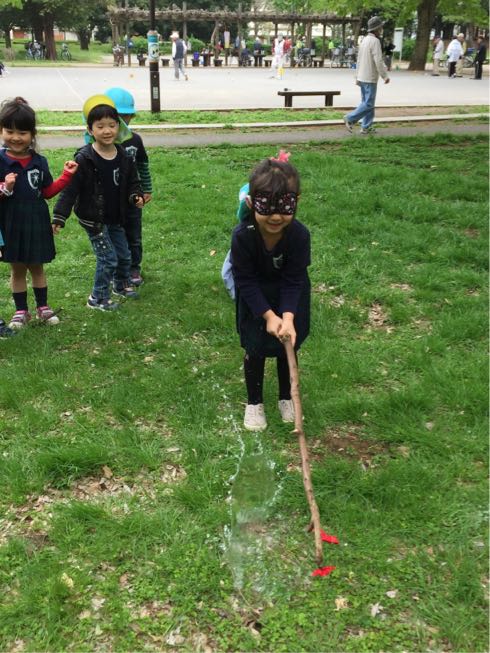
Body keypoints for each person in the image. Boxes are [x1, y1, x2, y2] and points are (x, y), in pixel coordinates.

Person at [231, 153, 310, 431]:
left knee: (288, 344)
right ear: (252, 203)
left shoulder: (299, 235)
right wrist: (267, 315)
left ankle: (286, 397)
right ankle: (254, 403)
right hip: (255, 298)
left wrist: (287, 317)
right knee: (255, 348)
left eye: (285, 206)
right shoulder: (243, 236)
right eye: (267, 206)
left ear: (296, 202)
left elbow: (294, 278)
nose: (276, 216)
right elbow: (244, 280)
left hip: (290, 296)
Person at [53, 102, 144, 311]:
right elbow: (71, 190)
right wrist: (59, 216)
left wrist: (135, 196)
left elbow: (133, 182)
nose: (107, 131)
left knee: (124, 254)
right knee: (108, 258)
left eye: (112, 125)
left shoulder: (123, 155)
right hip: (93, 219)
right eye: (100, 126)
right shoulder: (85, 158)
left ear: (119, 127)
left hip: (116, 216)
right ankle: (98, 298)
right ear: (90, 130)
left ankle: (120, 285)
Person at [0, 97, 77, 329]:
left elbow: (46, 192)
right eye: (9, 131)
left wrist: (66, 176)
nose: (15, 137)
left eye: (22, 132)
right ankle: (21, 311)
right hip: (11, 222)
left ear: (32, 134)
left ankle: (43, 307)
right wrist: (5, 188)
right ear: (1, 131)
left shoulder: (39, 161)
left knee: (37, 266)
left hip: (36, 220)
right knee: (17, 268)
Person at [104, 87, 153, 286]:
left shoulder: (135, 140)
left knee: (134, 235)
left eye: (127, 117)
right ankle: (116, 268)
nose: (124, 122)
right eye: (119, 117)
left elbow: (143, 165)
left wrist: (147, 189)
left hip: (133, 197)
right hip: (110, 200)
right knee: (113, 235)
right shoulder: (101, 143)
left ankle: (134, 268)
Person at [344, 16, 389, 136]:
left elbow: (358, 60)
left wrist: (357, 76)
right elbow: (378, 60)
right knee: (368, 104)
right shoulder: (375, 41)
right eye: (381, 27)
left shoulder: (364, 40)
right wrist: (385, 76)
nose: (381, 29)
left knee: (367, 103)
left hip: (363, 77)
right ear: (377, 29)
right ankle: (350, 118)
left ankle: (366, 127)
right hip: (370, 77)